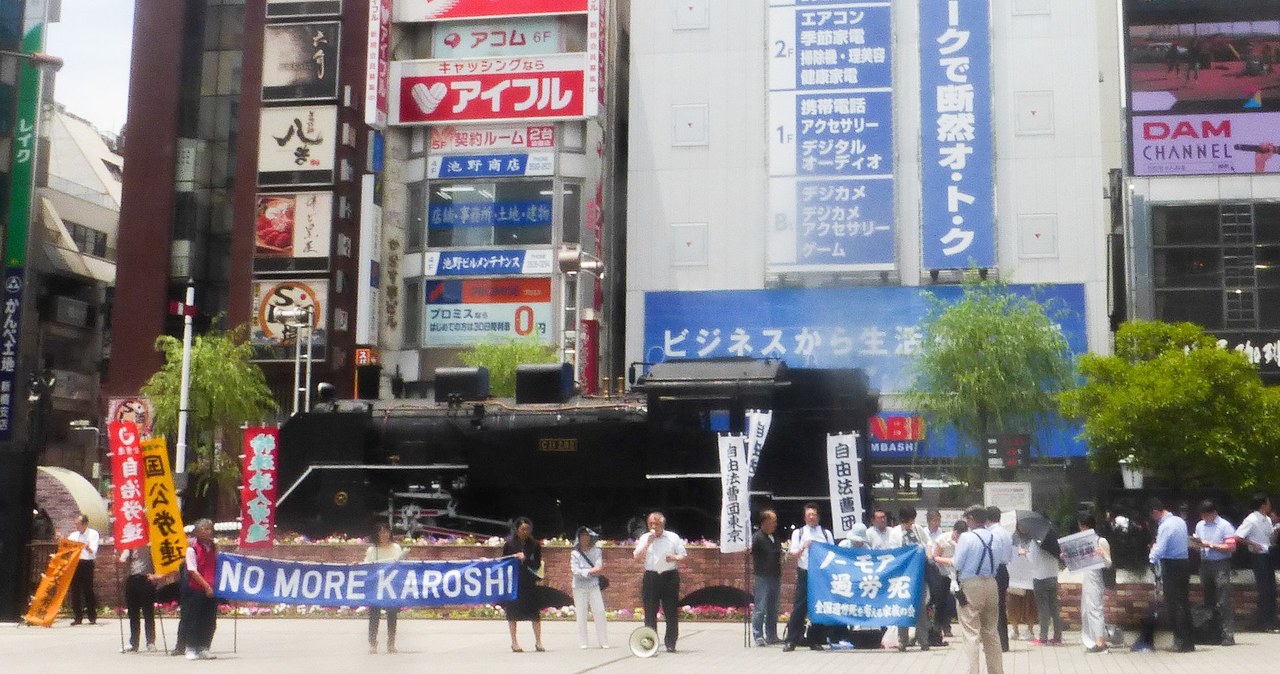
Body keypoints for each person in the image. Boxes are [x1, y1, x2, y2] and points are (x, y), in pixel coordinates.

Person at [953, 505, 1004, 674]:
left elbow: (958, 563)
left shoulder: (967, 538)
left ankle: (973, 672)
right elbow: (999, 562)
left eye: (967, 519)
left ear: (972, 519)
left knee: (971, 632)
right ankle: (996, 671)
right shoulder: (995, 537)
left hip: (971, 584)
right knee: (991, 631)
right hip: (991, 582)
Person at [782, 503, 834, 651]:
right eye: (809, 514)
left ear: (818, 516)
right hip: (805, 572)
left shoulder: (826, 533)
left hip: (821, 574)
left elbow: (832, 553)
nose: (812, 517)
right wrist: (804, 546)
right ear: (805, 517)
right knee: (800, 606)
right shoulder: (798, 533)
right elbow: (793, 554)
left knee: (818, 606)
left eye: (814, 514)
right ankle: (791, 640)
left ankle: (815, 639)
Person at [634, 511, 686, 653]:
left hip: (669, 576)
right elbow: (636, 556)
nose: (653, 527)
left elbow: (683, 554)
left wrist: (674, 557)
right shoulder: (645, 538)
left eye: (656, 524)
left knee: (670, 611)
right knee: (650, 611)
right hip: (651, 576)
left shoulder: (672, 537)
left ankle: (670, 642)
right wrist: (648, 543)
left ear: (662, 524)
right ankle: (650, 642)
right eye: (651, 524)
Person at [1148, 498, 1194, 652]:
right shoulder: (1180, 521)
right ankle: (1189, 641)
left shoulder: (1165, 526)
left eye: (1152, 516)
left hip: (1172, 565)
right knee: (1184, 602)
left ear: (1155, 512)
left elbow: (1160, 548)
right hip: (1184, 563)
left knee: (1174, 605)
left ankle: (1180, 641)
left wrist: (1151, 558)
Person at [886, 505, 932, 651]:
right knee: (903, 606)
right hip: (903, 575)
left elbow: (928, 542)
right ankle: (903, 640)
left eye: (912, 520)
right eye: (908, 521)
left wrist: (928, 552)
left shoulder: (918, 529)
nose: (910, 523)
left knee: (921, 607)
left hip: (919, 574)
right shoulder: (895, 533)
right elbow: (895, 552)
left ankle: (923, 640)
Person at [1193, 500, 1235, 646]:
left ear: (1213, 513)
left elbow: (1231, 547)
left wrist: (1210, 545)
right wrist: (1196, 544)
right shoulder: (1200, 525)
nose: (1204, 518)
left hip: (1220, 564)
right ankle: (1212, 632)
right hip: (1205, 564)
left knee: (1223, 600)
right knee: (1208, 600)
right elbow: (1199, 543)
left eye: (1206, 515)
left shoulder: (1224, 526)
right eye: (1202, 515)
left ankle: (1228, 633)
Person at [1235, 493, 1278, 632]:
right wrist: (1252, 544)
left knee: (1271, 588)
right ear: (1262, 505)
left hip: (1268, 553)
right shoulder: (1252, 519)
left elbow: (1270, 538)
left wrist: (1275, 533)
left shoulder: (1267, 519)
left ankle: (1271, 621)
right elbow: (1238, 536)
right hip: (1258, 556)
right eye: (1268, 503)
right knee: (1264, 589)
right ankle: (1264, 623)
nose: (1270, 505)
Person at [178, 519, 219, 660]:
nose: (208, 531)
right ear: (197, 532)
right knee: (194, 619)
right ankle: (191, 647)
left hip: (212, 588)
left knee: (209, 620)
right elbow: (192, 571)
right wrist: (206, 586)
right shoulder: (192, 549)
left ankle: (204, 646)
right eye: (205, 529)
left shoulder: (214, 547)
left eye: (209, 528)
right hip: (197, 589)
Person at [502, 516, 545, 652]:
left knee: (534, 613)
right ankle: (514, 642)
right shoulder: (509, 544)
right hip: (514, 581)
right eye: (522, 529)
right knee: (512, 613)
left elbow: (537, 564)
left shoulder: (535, 545)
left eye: (527, 529)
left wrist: (525, 560)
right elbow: (504, 562)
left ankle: (538, 642)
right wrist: (515, 557)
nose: (525, 532)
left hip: (529, 581)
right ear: (517, 529)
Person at [364, 523, 404, 654]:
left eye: (386, 532)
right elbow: (366, 566)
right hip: (376, 588)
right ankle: (372, 643)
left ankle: (391, 642)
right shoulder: (372, 550)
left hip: (391, 588)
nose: (384, 535)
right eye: (381, 532)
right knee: (374, 614)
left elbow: (401, 566)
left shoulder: (396, 548)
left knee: (392, 615)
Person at [1074, 514, 1111, 653]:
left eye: (1081, 527)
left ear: (1085, 527)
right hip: (1087, 578)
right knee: (1086, 610)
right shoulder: (1083, 542)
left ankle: (1101, 641)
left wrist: (1101, 555)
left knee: (1095, 609)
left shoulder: (1101, 541)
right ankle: (1092, 639)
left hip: (1096, 579)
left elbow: (1108, 563)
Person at [570, 526, 609, 649]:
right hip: (579, 586)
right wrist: (590, 572)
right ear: (579, 538)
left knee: (600, 612)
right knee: (581, 614)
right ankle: (583, 642)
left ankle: (603, 641)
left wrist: (586, 571)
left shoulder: (597, 551)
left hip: (593, 585)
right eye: (582, 536)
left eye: (587, 536)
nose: (585, 538)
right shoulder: (575, 553)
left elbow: (599, 567)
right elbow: (575, 570)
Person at [750, 510, 783, 646]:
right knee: (760, 606)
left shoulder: (775, 536)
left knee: (773, 607)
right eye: (773, 521)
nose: (775, 524)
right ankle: (758, 635)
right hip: (762, 576)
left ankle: (772, 635)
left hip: (775, 575)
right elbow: (751, 551)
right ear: (765, 522)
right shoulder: (757, 537)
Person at [985, 505, 1014, 652]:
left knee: (992, 608)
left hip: (994, 571)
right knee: (1000, 607)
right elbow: (1010, 555)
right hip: (1004, 570)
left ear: (987, 519)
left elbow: (992, 556)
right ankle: (1003, 642)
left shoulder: (992, 534)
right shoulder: (1006, 533)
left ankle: (996, 643)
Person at [932, 519, 967, 639]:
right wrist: (948, 561)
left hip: (958, 574)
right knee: (941, 602)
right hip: (943, 574)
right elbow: (935, 556)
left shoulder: (965, 541)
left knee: (957, 602)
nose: (959, 537)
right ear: (954, 531)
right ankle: (937, 629)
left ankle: (948, 627)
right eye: (958, 535)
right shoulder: (942, 539)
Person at [118, 547, 157, 652]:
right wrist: (119, 560)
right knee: (133, 613)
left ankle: (150, 642)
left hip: (146, 579)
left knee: (148, 612)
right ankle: (134, 643)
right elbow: (122, 560)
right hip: (132, 579)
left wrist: (155, 576)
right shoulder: (129, 547)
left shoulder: (149, 545)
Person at [1028, 528, 1063, 645]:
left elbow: (1033, 560)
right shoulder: (1053, 541)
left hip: (1040, 577)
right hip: (1053, 575)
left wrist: (1025, 553)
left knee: (1043, 609)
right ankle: (1058, 636)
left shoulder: (1035, 542)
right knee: (1054, 607)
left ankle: (1043, 637)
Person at [66, 514, 99, 625]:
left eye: (78, 524)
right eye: (75, 524)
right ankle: (77, 617)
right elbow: (67, 546)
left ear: (85, 524)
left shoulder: (93, 534)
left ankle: (92, 616)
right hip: (75, 563)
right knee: (75, 590)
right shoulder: (74, 535)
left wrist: (87, 547)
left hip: (86, 562)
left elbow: (93, 551)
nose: (77, 526)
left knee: (88, 589)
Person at [1006, 528, 1038, 641]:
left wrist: (1027, 553)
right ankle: (1014, 629)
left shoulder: (1034, 540)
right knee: (1012, 605)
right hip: (1014, 577)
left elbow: (1036, 557)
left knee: (1030, 606)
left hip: (1030, 577)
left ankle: (1030, 630)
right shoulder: (1010, 538)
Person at [924, 509, 951, 640]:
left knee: (943, 600)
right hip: (928, 570)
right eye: (935, 520)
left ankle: (945, 626)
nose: (937, 523)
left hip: (942, 570)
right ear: (929, 521)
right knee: (930, 599)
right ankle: (931, 627)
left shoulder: (943, 534)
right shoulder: (923, 534)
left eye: (939, 520)